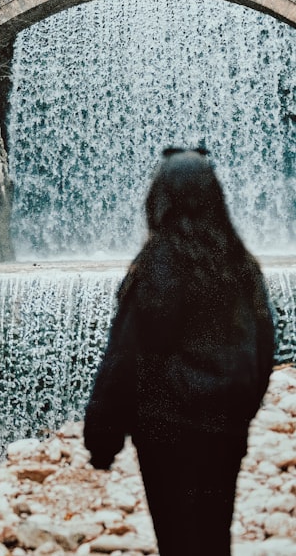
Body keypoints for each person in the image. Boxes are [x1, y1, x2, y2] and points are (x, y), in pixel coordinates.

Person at [83, 147, 276, 556]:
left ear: (160, 198)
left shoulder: (159, 263)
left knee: (176, 537)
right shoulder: (241, 264)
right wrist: (244, 410)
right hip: (225, 426)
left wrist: (102, 436)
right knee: (213, 534)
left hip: (165, 430)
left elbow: (127, 354)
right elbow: (263, 346)